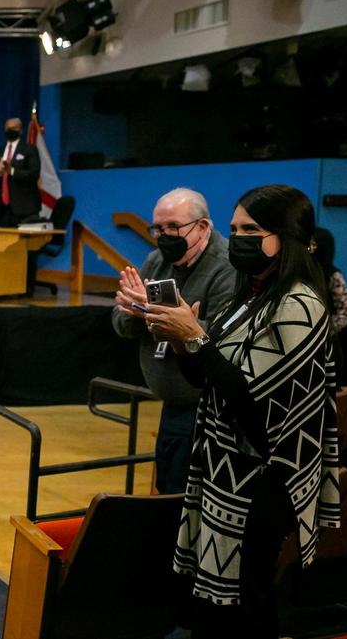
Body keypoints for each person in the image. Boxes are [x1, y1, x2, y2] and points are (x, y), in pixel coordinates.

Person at [146, 184, 341, 639]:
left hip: (262, 482)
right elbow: (209, 382)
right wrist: (183, 341)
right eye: (234, 230)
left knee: (249, 607)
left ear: (285, 237)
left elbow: (257, 410)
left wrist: (196, 338)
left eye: (251, 230)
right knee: (221, 609)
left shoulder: (299, 304)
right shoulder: (249, 298)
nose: (238, 239)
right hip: (226, 472)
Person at [112, 188, 235, 494]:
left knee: (182, 494)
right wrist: (134, 310)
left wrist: (151, 309)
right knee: (166, 486)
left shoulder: (227, 266)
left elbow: (222, 336)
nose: (163, 235)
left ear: (202, 227)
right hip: (170, 402)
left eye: (173, 227)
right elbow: (121, 324)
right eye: (158, 228)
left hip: (207, 408)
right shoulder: (157, 261)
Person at [312, 227, 347, 384]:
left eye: (313, 245)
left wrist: (325, 330)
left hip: (335, 341)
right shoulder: (307, 273)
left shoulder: (333, 274)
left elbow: (346, 310)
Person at [0, 117, 40, 227]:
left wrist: (12, 171)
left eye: (14, 128)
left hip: (25, 210)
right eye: (8, 128)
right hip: (3, 210)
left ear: (21, 131)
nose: (11, 130)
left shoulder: (30, 150)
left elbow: (34, 174)